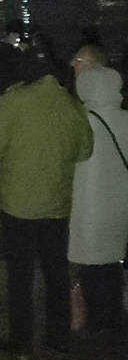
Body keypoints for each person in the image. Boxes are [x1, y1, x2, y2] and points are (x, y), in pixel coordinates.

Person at [0, 50, 92, 358]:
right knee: (56, 272)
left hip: (18, 204)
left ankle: (21, 342)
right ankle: (58, 337)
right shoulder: (71, 105)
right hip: (57, 204)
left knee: (20, 275)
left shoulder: (12, 101)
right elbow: (85, 151)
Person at [69, 65, 128, 334]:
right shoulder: (125, 119)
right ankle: (115, 317)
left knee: (92, 265)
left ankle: (96, 320)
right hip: (120, 204)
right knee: (114, 262)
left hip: (87, 206)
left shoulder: (80, 120)